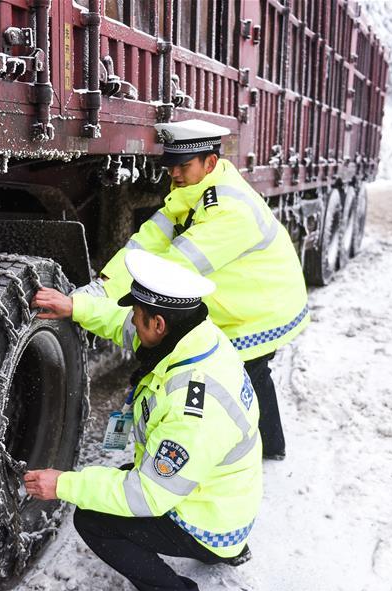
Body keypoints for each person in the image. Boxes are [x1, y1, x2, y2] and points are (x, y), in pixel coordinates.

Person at [26, 250, 262, 591]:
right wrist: (75, 307)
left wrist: (64, 485)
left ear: (159, 324)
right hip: (220, 496)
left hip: (210, 521)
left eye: (139, 316)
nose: (133, 323)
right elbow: (124, 325)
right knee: (120, 479)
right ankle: (228, 547)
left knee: (93, 518)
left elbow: (148, 497)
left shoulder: (194, 407)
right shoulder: (196, 336)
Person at [80, 119, 308, 460]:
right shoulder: (193, 194)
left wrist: (99, 308)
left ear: (210, 163)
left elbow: (171, 268)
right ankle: (263, 444)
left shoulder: (230, 210)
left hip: (260, 308)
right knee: (250, 375)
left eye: (183, 166)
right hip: (238, 300)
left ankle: (265, 449)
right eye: (171, 166)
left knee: (248, 374)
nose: (174, 174)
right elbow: (148, 242)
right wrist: (104, 287)